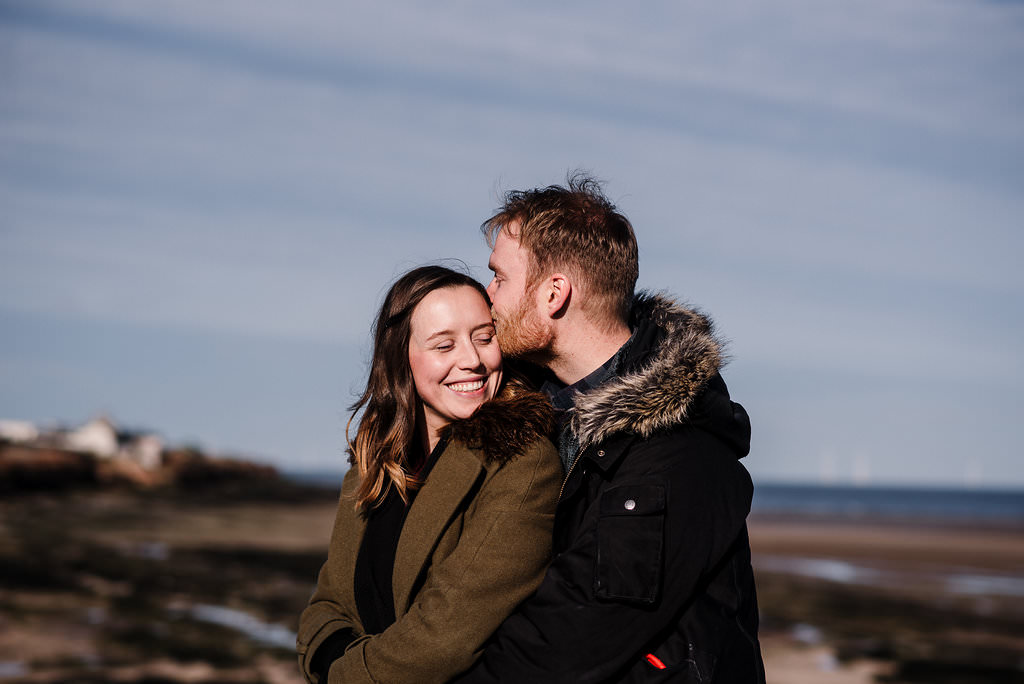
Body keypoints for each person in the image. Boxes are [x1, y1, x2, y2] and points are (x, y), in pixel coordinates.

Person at [456, 175, 765, 683]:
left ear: (554, 293)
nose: (487, 297)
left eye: (500, 278)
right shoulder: (531, 415)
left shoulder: (680, 457)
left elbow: (568, 638)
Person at [297, 265, 562, 684]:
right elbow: (326, 605)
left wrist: (339, 673)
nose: (472, 360)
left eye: (484, 337)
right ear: (401, 356)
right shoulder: (374, 461)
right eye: (444, 345)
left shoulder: (522, 463)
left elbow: (444, 640)